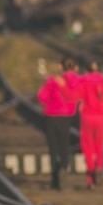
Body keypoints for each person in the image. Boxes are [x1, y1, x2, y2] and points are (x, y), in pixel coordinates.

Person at [36, 56, 79, 190]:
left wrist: (46, 83)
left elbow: (42, 97)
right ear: (75, 68)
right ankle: (64, 169)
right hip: (66, 116)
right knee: (64, 145)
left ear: (60, 66)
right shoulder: (75, 81)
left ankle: (54, 176)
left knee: (53, 147)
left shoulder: (52, 81)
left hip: (51, 116)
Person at [74, 61, 103, 188]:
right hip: (101, 118)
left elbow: (75, 97)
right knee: (99, 146)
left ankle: (91, 178)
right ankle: (100, 168)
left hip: (86, 118)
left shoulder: (83, 84)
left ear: (86, 71)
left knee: (88, 148)